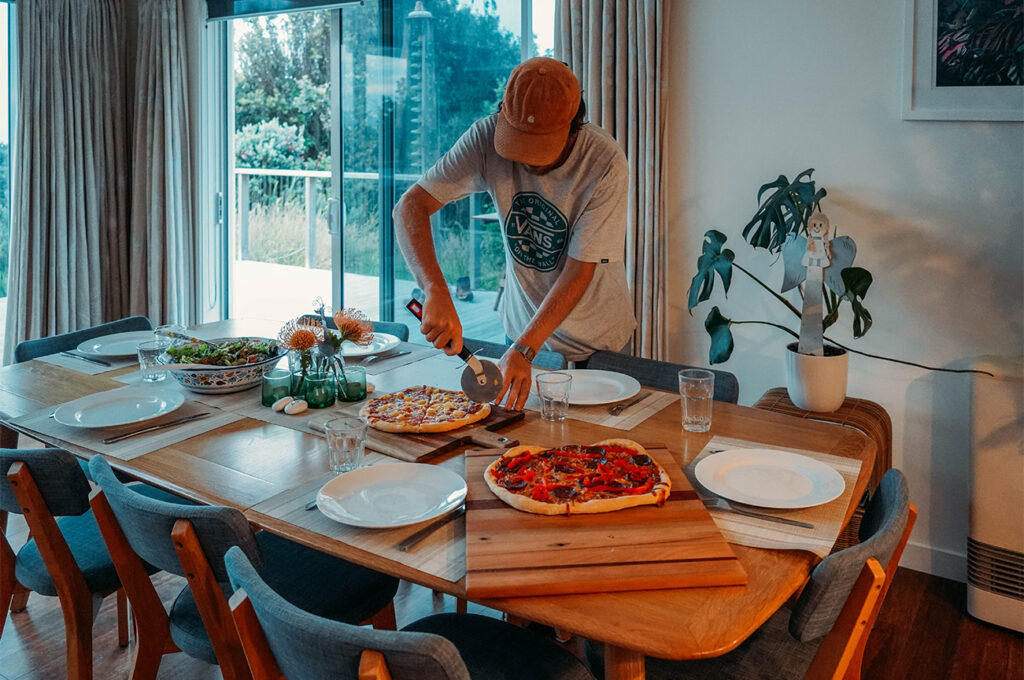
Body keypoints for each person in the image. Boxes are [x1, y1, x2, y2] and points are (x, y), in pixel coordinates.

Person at [393, 57, 637, 410]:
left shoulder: (604, 161)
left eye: (539, 149)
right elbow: (409, 207)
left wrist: (525, 347)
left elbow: (579, 269)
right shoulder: (484, 137)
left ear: (573, 126)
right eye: (517, 145)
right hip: (519, 334)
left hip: (596, 344)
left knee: (591, 456)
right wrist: (434, 288)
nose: (527, 162)